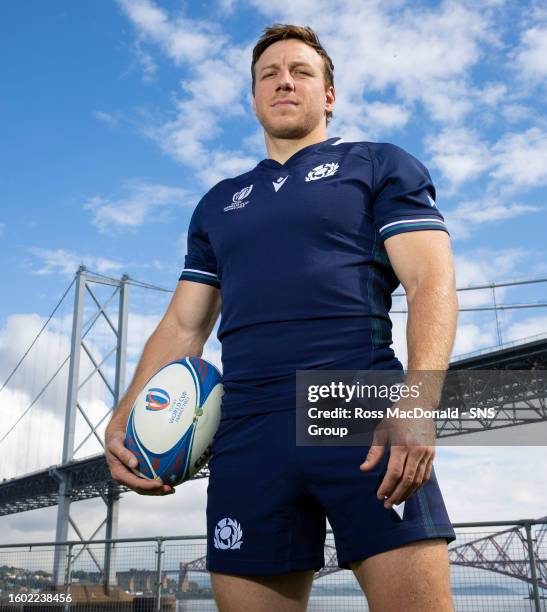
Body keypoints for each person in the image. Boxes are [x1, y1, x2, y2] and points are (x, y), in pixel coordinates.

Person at [105, 23, 459, 612]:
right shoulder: (218, 202)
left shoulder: (377, 165)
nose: (283, 81)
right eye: (268, 74)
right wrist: (126, 412)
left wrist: (418, 402)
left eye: (300, 71)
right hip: (246, 428)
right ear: (253, 98)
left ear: (328, 95)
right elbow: (184, 326)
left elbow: (431, 282)